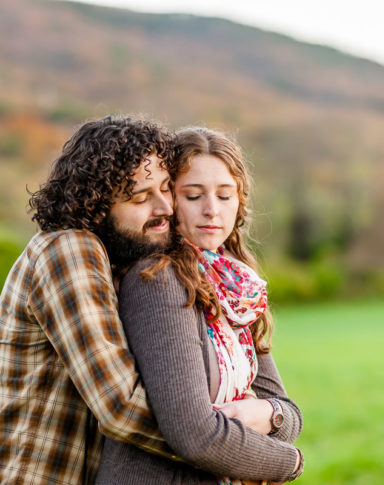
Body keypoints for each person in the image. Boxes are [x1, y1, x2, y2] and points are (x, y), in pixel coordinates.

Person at [95, 127, 304, 484]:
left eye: (225, 196)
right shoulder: (157, 279)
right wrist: (291, 464)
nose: (211, 210)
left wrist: (268, 414)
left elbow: (288, 414)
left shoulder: (235, 286)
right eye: (193, 196)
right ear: (169, 200)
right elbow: (194, 435)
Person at [0, 116, 179, 484]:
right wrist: (235, 450)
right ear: (96, 204)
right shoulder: (68, 249)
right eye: (141, 196)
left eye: (167, 188)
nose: (166, 207)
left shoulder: (124, 260)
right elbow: (120, 405)